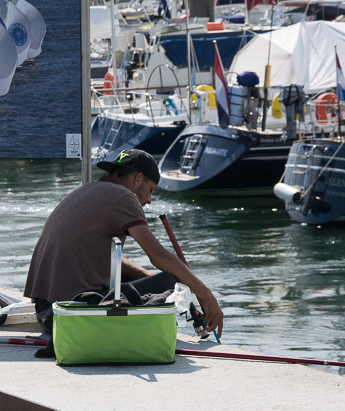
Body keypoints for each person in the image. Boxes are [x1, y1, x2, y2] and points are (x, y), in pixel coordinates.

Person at [24, 149, 223, 349]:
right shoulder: (124, 197)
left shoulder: (89, 190)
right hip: (71, 317)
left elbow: (110, 259)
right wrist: (206, 296)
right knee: (170, 281)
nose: (149, 200)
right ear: (138, 179)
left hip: (47, 314)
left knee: (159, 280)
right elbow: (159, 256)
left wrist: (148, 278)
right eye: (151, 190)